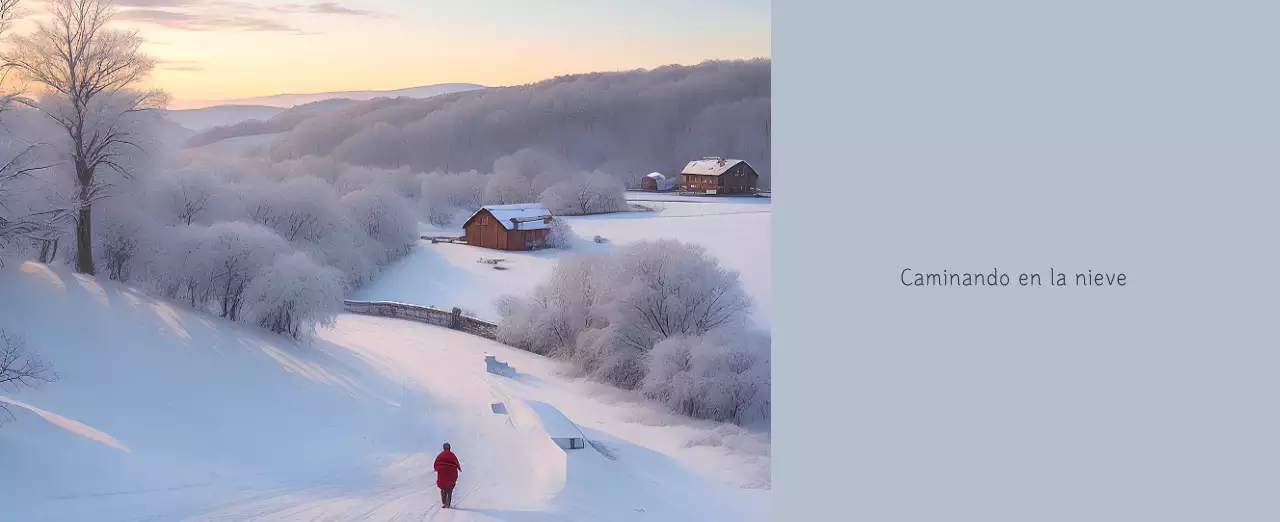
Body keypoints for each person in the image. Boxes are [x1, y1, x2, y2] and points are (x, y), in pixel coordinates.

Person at [434, 442, 462, 508]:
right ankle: (448, 504)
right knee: (449, 490)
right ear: (450, 448)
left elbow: (436, 463)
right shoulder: (452, 455)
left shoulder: (441, 455)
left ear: (443, 448)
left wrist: (437, 468)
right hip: (452, 475)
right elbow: (457, 463)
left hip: (442, 475)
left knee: (443, 488)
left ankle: (444, 502)